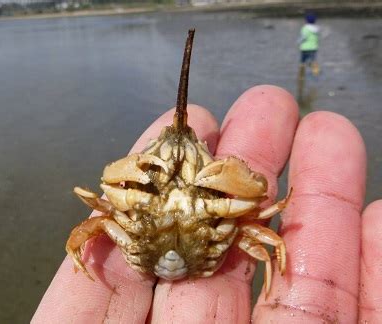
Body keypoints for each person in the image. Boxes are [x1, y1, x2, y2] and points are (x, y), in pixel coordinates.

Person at [32, 85, 381, 323]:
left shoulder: (219, 203)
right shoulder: (139, 191)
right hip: (169, 247)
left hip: (198, 250)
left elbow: (258, 205)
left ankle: (279, 282)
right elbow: (101, 207)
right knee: (104, 217)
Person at [298, 12, 320, 78]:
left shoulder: (305, 28)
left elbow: (303, 37)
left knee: (302, 62)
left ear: (306, 20)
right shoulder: (317, 29)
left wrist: (298, 42)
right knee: (313, 61)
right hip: (313, 48)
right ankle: (316, 74)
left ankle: (301, 75)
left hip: (305, 48)